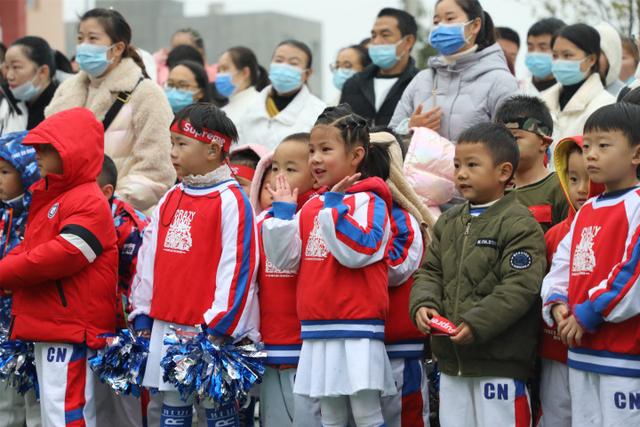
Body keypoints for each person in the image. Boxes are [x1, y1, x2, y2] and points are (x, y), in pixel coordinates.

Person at [263, 104, 396, 427]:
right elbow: (287, 261)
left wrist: (334, 210)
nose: (316, 159)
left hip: (356, 327)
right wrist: (282, 216)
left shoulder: (371, 200)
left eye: (326, 149)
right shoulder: (310, 205)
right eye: (312, 150)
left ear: (356, 156)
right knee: (330, 414)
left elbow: (360, 250)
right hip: (317, 326)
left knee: (366, 412)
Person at [128, 102, 259, 427]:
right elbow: (149, 258)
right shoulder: (172, 196)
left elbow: (239, 267)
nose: (173, 152)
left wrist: (219, 325)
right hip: (167, 323)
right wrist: (142, 311)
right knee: (171, 404)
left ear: (213, 149)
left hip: (208, 330)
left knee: (215, 406)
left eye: (182, 144)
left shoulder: (232, 200)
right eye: (172, 143)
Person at [410, 122, 546, 427]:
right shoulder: (448, 222)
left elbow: (520, 287)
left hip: (499, 364)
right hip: (451, 365)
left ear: (503, 171)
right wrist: (423, 304)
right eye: (457, 164)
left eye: (472, 165)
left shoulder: (519, 224)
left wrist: (475, 323)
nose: (461, 173)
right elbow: (430, 271)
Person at [0, 107, 118, 427]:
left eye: (46, 147)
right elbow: (28, 250)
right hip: (53, 322)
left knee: (65, 413)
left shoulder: (87, 199)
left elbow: (64, 254)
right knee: (57, 412)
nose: (36, 153)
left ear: (71, 152)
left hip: (69, 325)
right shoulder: (55, 196)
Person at [540, 103, 640, 426]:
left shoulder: (636, 204)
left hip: (623, 356)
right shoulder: (586, 211)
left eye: (603, 145)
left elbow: (632, 274)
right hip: (581, 353)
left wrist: (587, 313)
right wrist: (557, 304)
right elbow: (561, 265)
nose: (591, 155)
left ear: (636, 154)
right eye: (587, 147)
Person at [45, 8, 175, 212]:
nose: (83, 45)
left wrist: (110, 204)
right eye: (80, 38)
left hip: (118, 217)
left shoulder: (146, 93)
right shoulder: (67, 90)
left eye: (92, 38)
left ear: (117, 48)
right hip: (63, 212)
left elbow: (157, 169)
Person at [537, 135, 604, 427]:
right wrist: (557, 309)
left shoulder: (618, 221)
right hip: (555, 345)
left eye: (588, 178)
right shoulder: (554, 235)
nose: (581, 189)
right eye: (573, 178)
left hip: (597, 345)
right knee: (556, 414)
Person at [256, 133, 322, 427]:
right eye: (275, 167)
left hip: (308, 348)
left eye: (291, 169)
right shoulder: (261, 220)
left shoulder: (318, 214)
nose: (279, 177)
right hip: (270, 344)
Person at [369, 131, 433, 427]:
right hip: (359, 343)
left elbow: (397, 269)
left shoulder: (403, 218)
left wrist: (351, 255)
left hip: (399, 346)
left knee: (404, 417)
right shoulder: (333, 212)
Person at [389, 0, 518, 142]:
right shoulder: (422, 80)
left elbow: (511, 144)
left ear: (475, 25)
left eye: (450, 18)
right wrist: (409, 128)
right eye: (436, 21)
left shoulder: (500, 81)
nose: (441, 27)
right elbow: (390, 140)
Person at [93, 155, 149, 427]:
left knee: (128, 411)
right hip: (89, 329)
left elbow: (141, 285)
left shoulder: (131, 226)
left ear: (107, 192)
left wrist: (133, 334)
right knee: (95, 408)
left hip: (126, 333)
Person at [0, 131, 41, 427]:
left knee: (37, 405)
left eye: (4, 172)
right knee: (5, 406)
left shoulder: (38, 215)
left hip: (31, 327)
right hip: (2, 331)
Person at [495, 95, 569, 232]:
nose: (505, 144)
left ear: (543, 142)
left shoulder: (561, 188)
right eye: (501, 138)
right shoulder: (494, 188)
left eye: (515, 137)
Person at [236, 40, 326, 150]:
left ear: (307, 73)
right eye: (278, 60)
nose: (283, 67)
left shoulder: (319, 112)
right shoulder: (250, 105)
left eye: (293, 63)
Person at [339, 8, 418, 127]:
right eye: (373, 35)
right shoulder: (353, 84)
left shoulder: (420, 83)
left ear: (408, 41)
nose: (376, 41)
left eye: (385, 35)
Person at [542, 24, 615, 144]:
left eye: (567, 55)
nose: (559, 61)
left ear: (591, 60)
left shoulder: (605, 105)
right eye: (555, 56)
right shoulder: (543, 100)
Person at [0, 36, 59, 134]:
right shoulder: (9, 103)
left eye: (16, 67)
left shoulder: (62, 109)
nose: (9, 76)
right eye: (7, 67)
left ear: (43, 72)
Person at [216, 46, 269, 125]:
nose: (220, 75)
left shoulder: (260, 104)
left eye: (225, 69)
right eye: (218, 70)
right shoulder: (221, 112)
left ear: (245, 72)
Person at [521, 18, 567, 95]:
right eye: (530, 47)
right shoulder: (518, 88)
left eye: (543, 48)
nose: (535, 53)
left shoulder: (570, 92)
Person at [595, 22, 625, 97]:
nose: (592, 60)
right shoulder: (572, 92)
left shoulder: (624, 97)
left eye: (598, 53)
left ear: (612, 57)